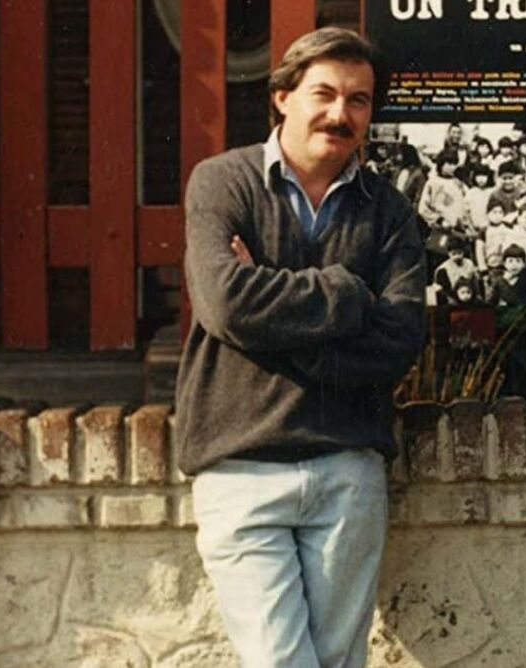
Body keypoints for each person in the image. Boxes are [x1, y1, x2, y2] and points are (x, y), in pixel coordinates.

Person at [177, 27, 426, 668]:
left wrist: (271, 329)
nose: (340, 114)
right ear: (283, 97)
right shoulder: (223, 184)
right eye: (324, 93)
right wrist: (347, 295)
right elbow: (226, 304)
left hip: (346, 470)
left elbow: (398, 342)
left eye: (359, 100)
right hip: (241, 465)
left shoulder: (390, 212)